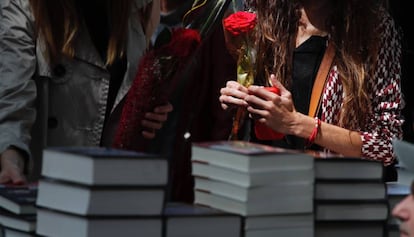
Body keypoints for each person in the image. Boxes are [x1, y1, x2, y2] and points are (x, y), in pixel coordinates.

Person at [219, 0, 404, 181]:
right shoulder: (263, 13)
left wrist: (297, 123)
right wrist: (241, 97)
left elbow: (388, 144)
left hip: (329, 189)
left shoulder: (371, 26)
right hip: (264, 181)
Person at [0, 0, 173, 184]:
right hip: (47, 189)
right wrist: (11, 156)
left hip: (112, 185)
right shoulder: (22, 5)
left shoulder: (138, 7)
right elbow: (11, 97)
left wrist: (147, 111)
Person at [148, 0, 235, 202]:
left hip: (181, 164)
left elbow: (222, 110)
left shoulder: (212, 15)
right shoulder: (135, 12)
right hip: (132, 154)